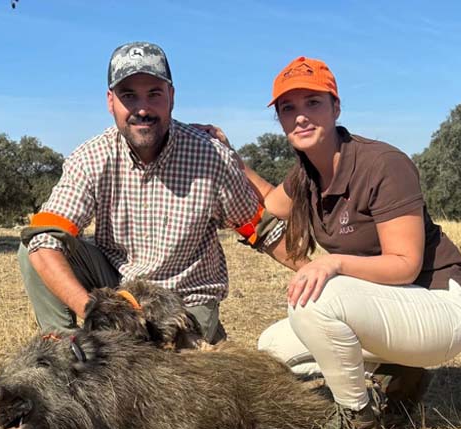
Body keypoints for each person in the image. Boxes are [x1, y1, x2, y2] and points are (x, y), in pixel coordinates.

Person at [203, 57, 461, 429]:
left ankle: (357, 420)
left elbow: (405, 263)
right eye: (288, 108)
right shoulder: (306, 174)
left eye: (313, 103)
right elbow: (270, 203)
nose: (300, 116)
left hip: (439, 306)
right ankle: (398, 374)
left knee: (315, 300)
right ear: (280, 120)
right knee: (273, 346)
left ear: (336, 107)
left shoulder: (383, 164)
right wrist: (231, 158)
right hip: (391, 306)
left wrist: (333, 263)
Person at [18, 42, 288, 344]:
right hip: (120, 292)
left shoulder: (210, 155)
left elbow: (259, 228)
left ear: (171, 96)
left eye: (154, 94)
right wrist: (94, 311)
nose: (142, 109)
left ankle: (194, 345)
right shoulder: (90, 158)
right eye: (129, 96)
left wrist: (314, 269)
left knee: (160, 365)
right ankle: (68, 352)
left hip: (186, 299)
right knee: (34, 247)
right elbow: (45, 239)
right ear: (111, 101)